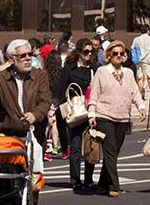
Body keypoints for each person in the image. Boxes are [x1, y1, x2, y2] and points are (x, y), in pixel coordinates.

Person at [0, 38, 52, 189]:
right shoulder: (0, 78)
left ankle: (33, 193)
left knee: (33, 181)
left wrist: (35, 115)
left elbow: (45, 101)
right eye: (23, 56)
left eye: (30, 54)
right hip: (9, 134)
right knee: (8, 176)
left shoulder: (40, 76)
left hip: (34, 134)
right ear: (12, 59)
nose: (28, 58)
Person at [88, 39, 147, 197]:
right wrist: (91, 113)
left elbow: (135, 92)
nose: (119, 56)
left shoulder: (128, 73)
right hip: (104, 115)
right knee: (111, 150)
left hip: (122, 117)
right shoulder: (101, 71)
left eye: (122, 54)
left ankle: (102, 183)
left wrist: (141, 107)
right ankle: (114, 185)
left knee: (113, 152)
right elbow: (94, 94)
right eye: (115, 53)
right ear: (108, 55)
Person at [56, 39, 97, 193]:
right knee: (75, 146)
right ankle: (75, 180)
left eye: (91, 51)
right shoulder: (69, 69)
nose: (89, 54)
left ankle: (88, 179)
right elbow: (60, 90)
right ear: (79, 52)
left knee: (90, 147)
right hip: (75, 112)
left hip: (92, 112)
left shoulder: (95, 68)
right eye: (86, 51)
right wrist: (54, 109)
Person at [131, 27, 150, 95]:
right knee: (148, 77)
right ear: (148, 31)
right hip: (148, 60)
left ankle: (140, 93)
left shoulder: (136, 39)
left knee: (139, 77)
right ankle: (143, 89)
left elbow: (132, 49)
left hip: (138, 60)